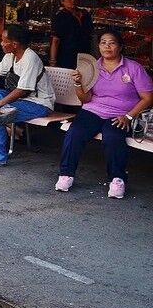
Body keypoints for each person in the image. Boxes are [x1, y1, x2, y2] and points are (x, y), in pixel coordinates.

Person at [56, 29, 153, 198]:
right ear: (98, 46)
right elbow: (85, 99)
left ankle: (117, 179)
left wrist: (129, 116)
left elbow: (148, 97)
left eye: (112, 42)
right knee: (75, 133)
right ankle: (66, 174)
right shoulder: (93, 67)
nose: (107, 46)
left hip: (121, 113)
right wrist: (79, 84)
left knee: (112, 136)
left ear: (120, 47)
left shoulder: (133, 68)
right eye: (103, 43)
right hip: (93, 110)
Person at [0, 24, 55, 167]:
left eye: (4, 41)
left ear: (14, 44)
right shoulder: (10, 56)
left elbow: (22, 90)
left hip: (39, 104)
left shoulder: (30, 59)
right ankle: (7, 111)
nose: (1, 43)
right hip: (19, 100)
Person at [49, 0, 94, 69]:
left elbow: (91, 36)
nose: (73, 0)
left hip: (85, 57)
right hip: (67, 58)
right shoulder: (60, 17)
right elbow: (55, 41)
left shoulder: (85, 15)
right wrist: (52, 62)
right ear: (62, 1)